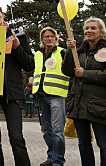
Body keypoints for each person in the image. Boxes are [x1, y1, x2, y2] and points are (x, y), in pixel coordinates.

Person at [62, 17, 106, 166]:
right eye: (87, 28)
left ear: (101, 33)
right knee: (83, 144)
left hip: (100, 107)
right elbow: (67, 71)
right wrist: (70, 52)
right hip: (79, 106)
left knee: (104, 144)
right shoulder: (80, 52)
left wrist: (86, 74)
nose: (89, 30)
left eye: (93, 28)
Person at [0, 2, 34, 166]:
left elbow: (30, 65)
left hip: (13, 93)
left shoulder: (19, 36)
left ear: (3, 15)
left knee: (16, 137)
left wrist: (18, 47)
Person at [32, 27, 69, 166]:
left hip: (56, 95)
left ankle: (58, 161)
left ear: (56, 39)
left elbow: (71, 68)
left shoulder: (63, 52)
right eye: (46, 36)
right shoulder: (37, 55)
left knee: (58, 130)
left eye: (52, 36)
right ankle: (51, 157)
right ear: (42, 39)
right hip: (40, 96)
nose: (49, 38)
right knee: (46, 130)